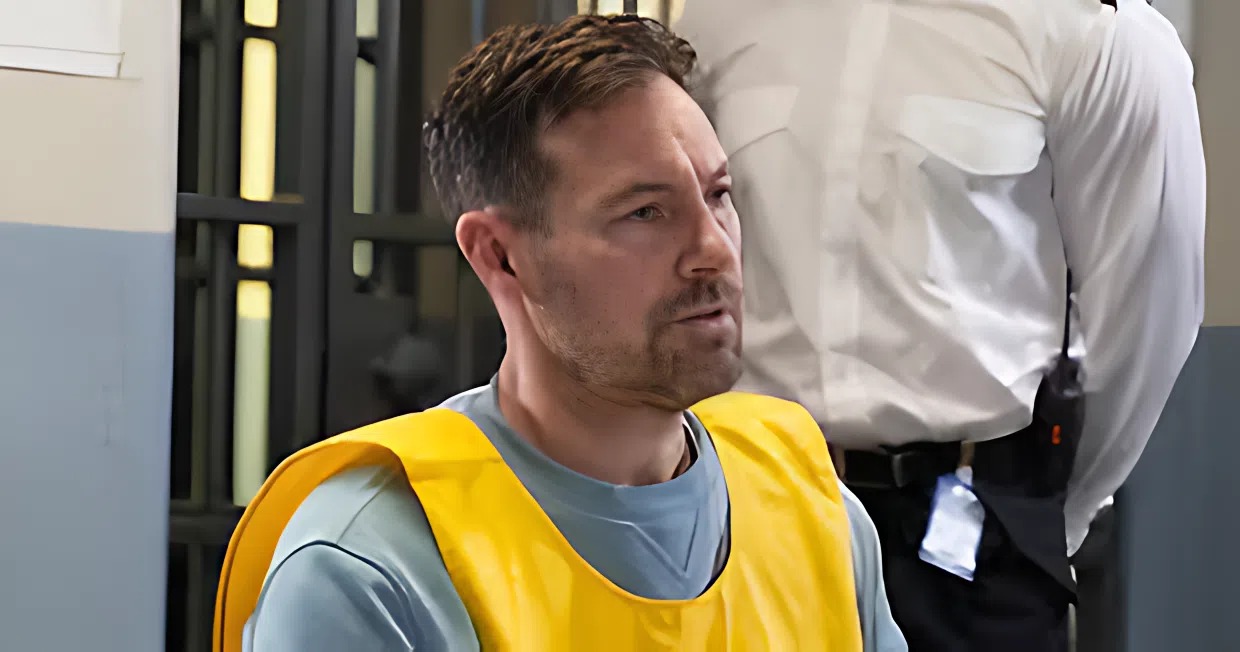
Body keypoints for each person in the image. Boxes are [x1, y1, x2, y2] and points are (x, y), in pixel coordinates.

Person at [213, 14, 906, 652]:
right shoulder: (371, 565)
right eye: (644, 212)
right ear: (501, 256)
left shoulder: (818, 512)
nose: (715, 250)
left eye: (718, 195)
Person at [675, 0, 1205, 649]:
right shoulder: (720, 20)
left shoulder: (1089, 31)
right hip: (749, 519)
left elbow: (1144, 323)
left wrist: (1050, 508)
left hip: (975, 545)